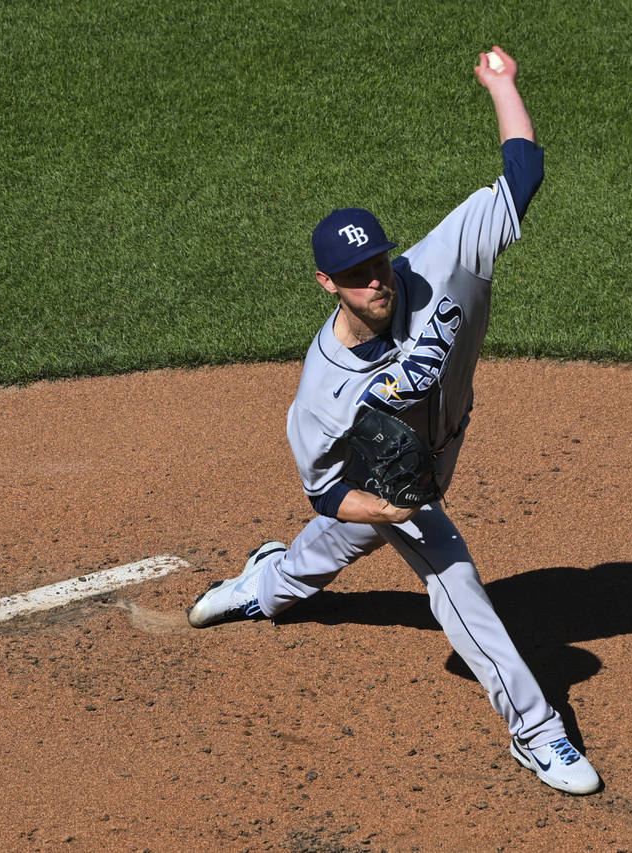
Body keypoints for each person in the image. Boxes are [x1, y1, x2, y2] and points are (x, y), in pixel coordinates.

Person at [186, 46, 601, 796]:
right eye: (354, 276)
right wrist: (390, 506)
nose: (374, 281)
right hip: (386, 481)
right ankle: (538, 732)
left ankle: (268, 585)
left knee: (336, 546)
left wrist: (503, 87)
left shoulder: (439, 260)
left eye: (377, 262)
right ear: (326, 283)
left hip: (437, 448)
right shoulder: (321, 393)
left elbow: (522, 175)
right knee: (455, 581)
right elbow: (325, 491)